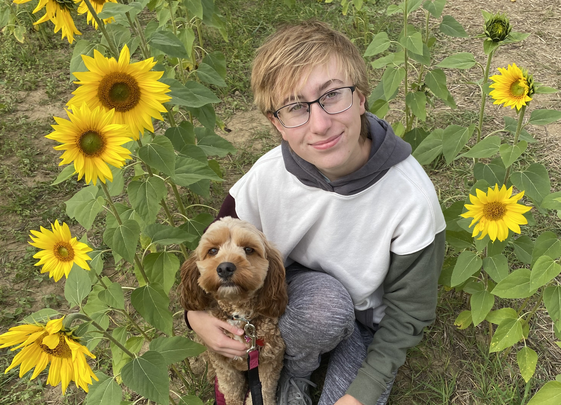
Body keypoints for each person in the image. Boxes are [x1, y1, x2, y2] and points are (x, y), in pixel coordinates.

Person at [185, 21, 446, 405]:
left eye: (333, 95)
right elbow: (210, 255)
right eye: (295, 108)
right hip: (294, 301)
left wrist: (362, 393)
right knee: (324, 305)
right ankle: (295, 370)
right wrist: (195, 317)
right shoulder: (264, 178)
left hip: (367, 323)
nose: (321, 124)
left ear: (361, 97)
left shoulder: (411, 198)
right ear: (276, 123)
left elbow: (409, 316)